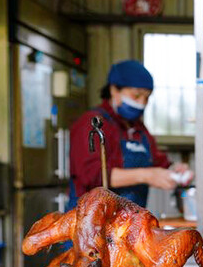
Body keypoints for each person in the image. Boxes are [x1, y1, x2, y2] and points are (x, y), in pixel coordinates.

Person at [68, 60, 187, 208]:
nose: (142, 103)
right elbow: (91, 175)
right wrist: (146, 175)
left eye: (147, 98)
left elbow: (157, 161)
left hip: (130, 223)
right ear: (114, 91)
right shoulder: (92, 124)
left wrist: (174, 169)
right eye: (136, 96)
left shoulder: (139, 128)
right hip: (92, 222)